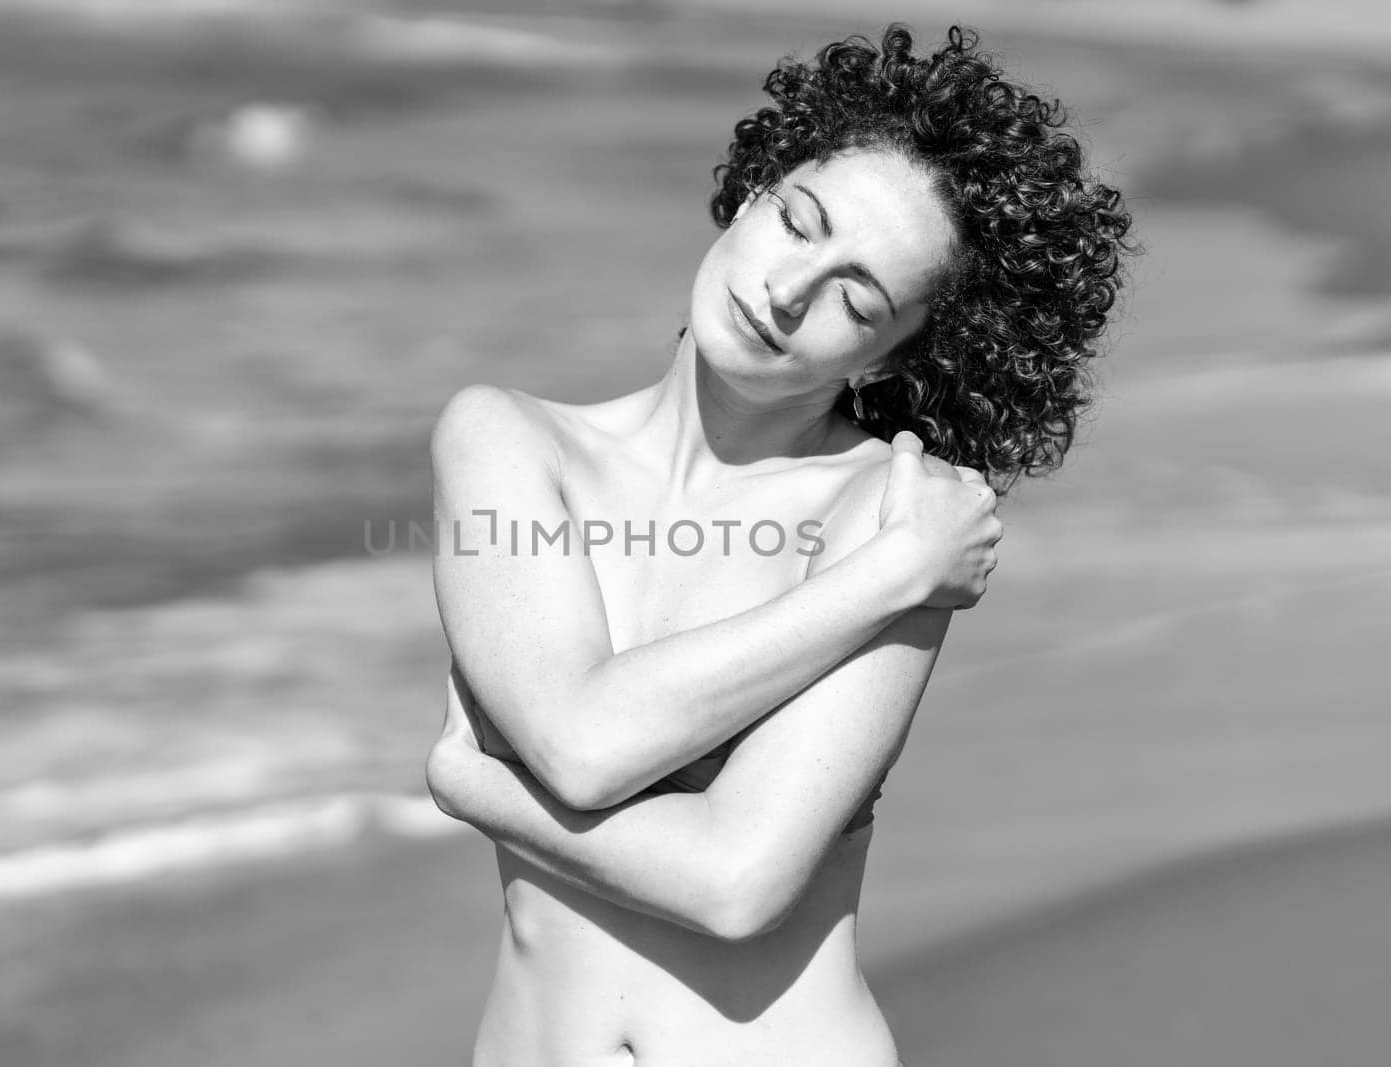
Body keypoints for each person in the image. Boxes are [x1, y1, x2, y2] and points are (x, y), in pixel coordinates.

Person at [424, 24, 1132, 1067]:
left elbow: (735, 883)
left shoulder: (892, 513)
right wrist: (879, 586)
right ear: (758, 188)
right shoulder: (505, 441)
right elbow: (581, 740)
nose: (789, 292)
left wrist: (475, 784)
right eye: (801, 221)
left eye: (857, 297)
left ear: (902, 351)